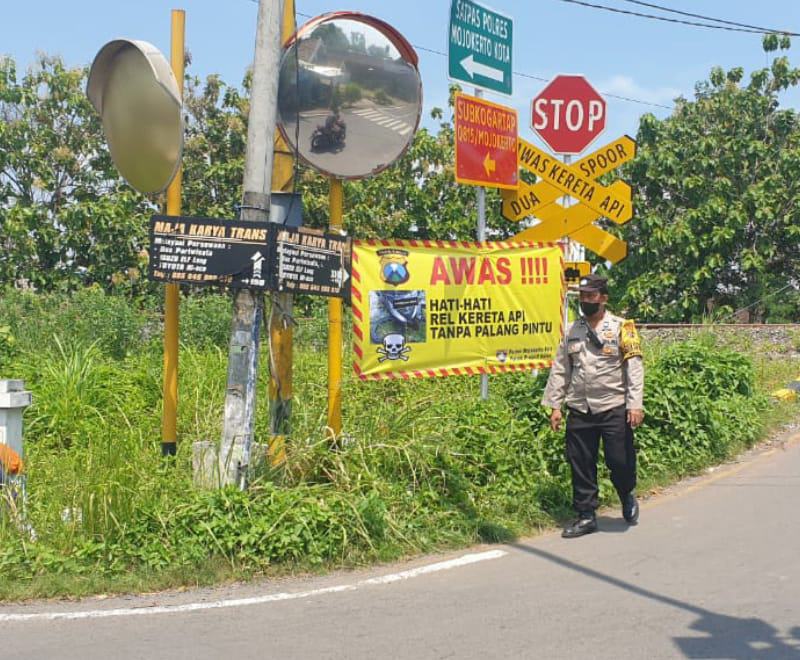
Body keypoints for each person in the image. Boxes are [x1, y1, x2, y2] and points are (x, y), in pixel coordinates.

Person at [542, 273, 645, 538]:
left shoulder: (624, 327)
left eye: (591, 296)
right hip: (580, 407)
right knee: (581, 462)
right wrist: (555, 405)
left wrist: (635, 405)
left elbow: (634, 368)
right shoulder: (573, 330)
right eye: (583, 296)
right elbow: (561, 368)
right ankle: (586, 515)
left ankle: (626, 494)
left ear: (603, 298)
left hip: (613, 406)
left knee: (619, 461)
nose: (586, 300)